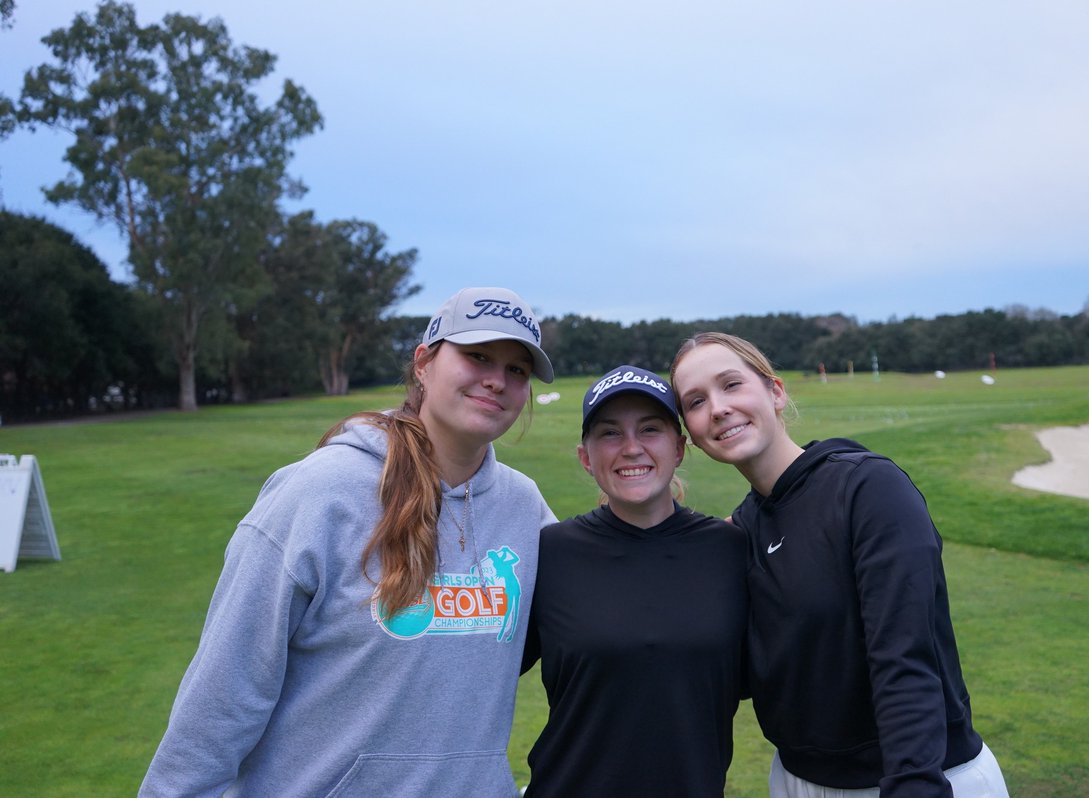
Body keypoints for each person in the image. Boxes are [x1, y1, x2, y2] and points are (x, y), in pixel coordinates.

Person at [140, 287, 557, 798]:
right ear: (424, 363)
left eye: (518, 370)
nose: (497, 379)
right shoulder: (321, 491)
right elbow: (226, 691)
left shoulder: (524, 507)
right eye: (477, 356)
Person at [670, 333, 1009, 798]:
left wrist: (913, 785)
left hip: (918, 778)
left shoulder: (867, 489)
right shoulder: (742, 531)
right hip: (797, 780)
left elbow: (903, 656)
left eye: (732, 384)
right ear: (689, 431)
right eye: (695, 401)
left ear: (775, 391)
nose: (718, 408)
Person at [521, 365, 748, 798]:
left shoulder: (730, 549)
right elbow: (479, 672)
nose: (631, 448)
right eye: (610, 433)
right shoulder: (550, 552)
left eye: (650, 429)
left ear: (679, 448)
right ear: (586, 457)